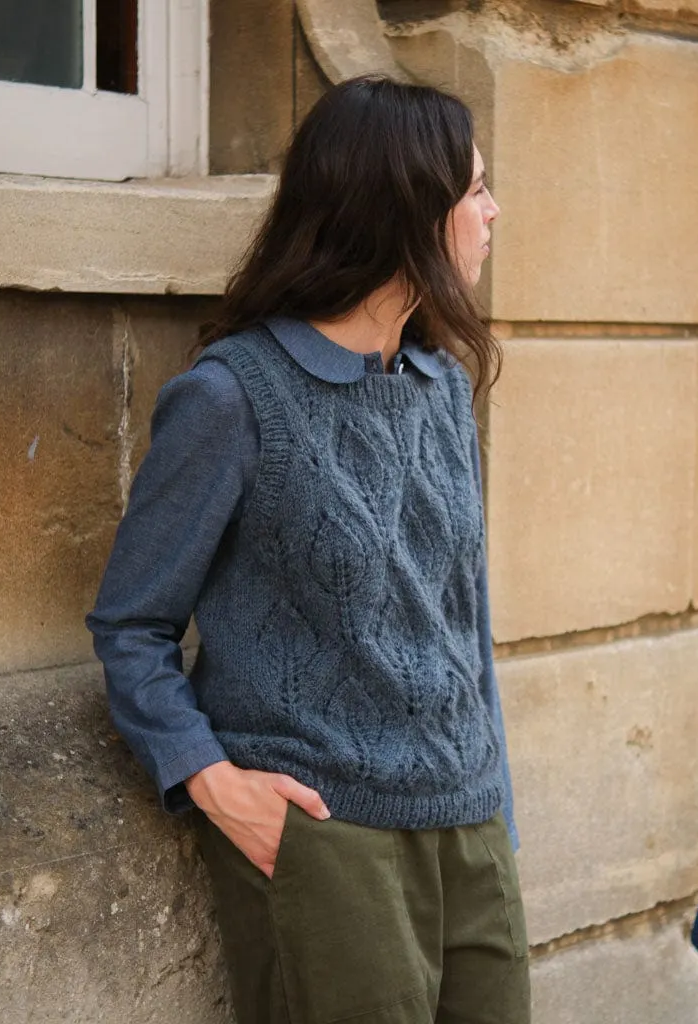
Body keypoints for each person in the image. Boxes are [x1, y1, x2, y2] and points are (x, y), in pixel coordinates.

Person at [87, 74, 529, 1024]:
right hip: (332, 843)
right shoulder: (235, 397)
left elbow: (462, 613)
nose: (494, 213)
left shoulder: (438, 386)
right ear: (406, 207)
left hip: (471, 823)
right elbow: (132, 622)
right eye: (476, 189)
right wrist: (211, 781)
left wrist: (495, 800)